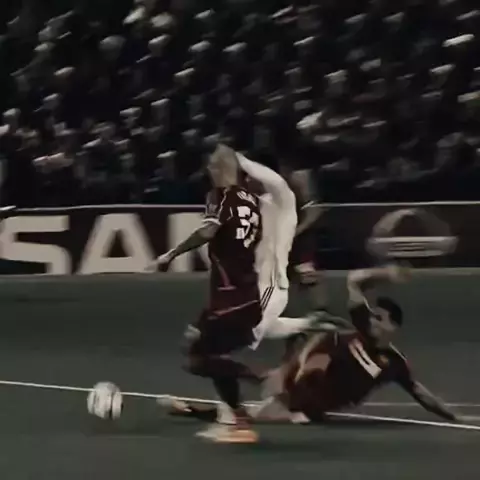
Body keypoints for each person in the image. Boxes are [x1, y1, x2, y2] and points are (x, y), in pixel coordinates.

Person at [160, 265, 459, 425]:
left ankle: (189, 408)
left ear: (393, 327)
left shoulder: (394, 363)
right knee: (239, 391)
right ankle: (207, 387)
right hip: (298, 386)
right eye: (373, 314)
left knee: (252, 413)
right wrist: (387, 273)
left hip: (308, 403)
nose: (372, 319)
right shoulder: (360, 327)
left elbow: (420, 392)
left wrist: (452, 416)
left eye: (380, 318)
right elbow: (355, 280)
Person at [152, 144, 263, 443]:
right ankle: (237, 417)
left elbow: (207, 232)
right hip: (245, 294)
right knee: (200, 348)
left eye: (213, 166)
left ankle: (255, 381)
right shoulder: (251, 200)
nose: (210, 172)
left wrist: (170, 255)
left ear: (221, 168)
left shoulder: (219, 196)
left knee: (198, 359)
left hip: (230, 298)